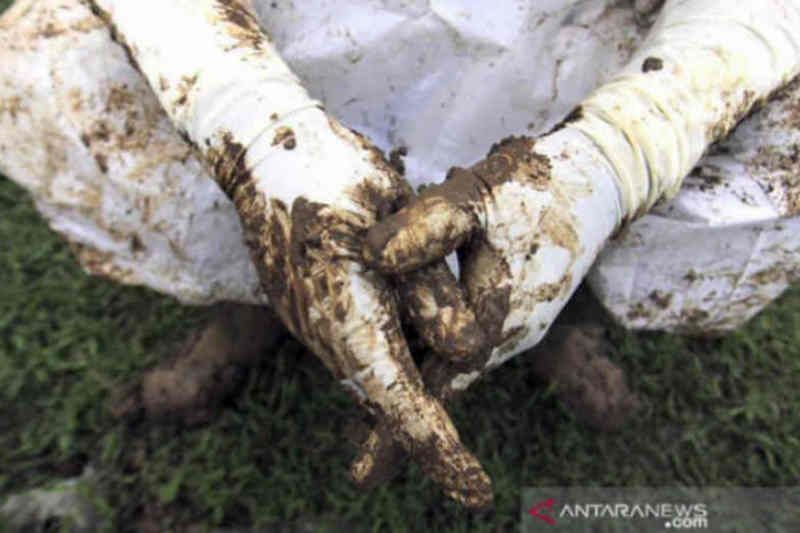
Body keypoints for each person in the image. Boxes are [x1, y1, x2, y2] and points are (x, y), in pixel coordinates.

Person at [2, 0, 799, 507]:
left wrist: (617, 155)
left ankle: (544, 313)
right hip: (276, 32)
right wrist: (249, 122)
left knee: (565, 225)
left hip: (576, 42)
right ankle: (257, 305)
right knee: (91, 79)